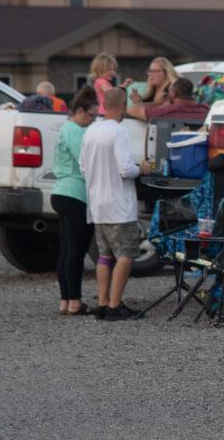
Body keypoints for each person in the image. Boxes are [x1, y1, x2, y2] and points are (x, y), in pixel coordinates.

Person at [79, 87, 151, 321]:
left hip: (97, 204)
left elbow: (82, 166)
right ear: (121, 107)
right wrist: (143, 168)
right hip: (118, 205)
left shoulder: (91, 130)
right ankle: (115, 305)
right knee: (126, 255)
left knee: (104, 255)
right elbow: (125, 169)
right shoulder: (118, 132)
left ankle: (101, 304)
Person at [50, 85, 99, 316]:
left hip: (60, 191)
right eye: (92, 115)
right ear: (80, 111)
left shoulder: (66, 128)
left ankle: (65, 300)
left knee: (66, 249)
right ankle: (75, 301)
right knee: (76, 252)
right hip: (75, 193)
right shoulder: (76, 132)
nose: (93, 120)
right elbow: (87, 162)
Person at [127, 77, 209, 123]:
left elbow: (133, 110)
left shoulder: (167, 110)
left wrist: (158, 103)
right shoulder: (205, 110)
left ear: (173, 94)